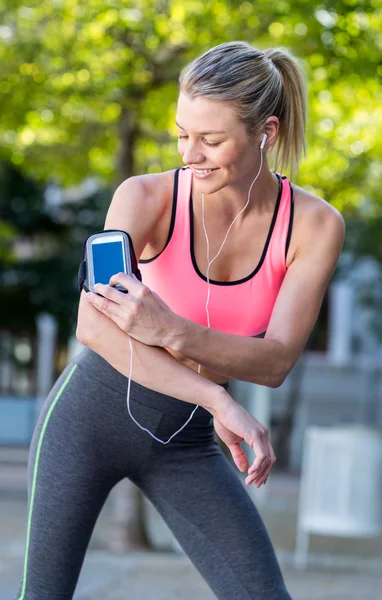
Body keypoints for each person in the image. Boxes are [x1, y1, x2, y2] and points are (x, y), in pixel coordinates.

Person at [15, 41, 345, 600]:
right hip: (86, 422)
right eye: (181, 134)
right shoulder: (143, 198)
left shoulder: (313, 225)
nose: (190, 153)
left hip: (183, 442)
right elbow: (93, 328)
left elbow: (277, 360)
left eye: (211, 140)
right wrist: (217, 399)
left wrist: (171, 330)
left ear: (264, 133)